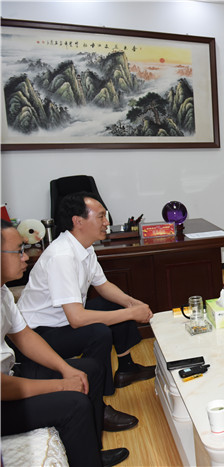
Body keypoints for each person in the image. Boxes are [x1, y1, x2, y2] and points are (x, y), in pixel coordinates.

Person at [1, 220, 131, 467]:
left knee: (89, 369)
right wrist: (61, 385)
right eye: (17, 251)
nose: (25, 257)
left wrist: (65, 368)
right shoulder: (61, 254)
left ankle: (91, 452)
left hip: (11, 373)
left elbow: (24, 336)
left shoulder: (3, 292)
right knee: (74, 403)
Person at [16, 192, 155, 397]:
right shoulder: (62, 256)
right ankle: (98, 399)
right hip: (38, 334)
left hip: (62, 319)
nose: (107, 222)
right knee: (98, 333)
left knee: (116, 305)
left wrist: (132, 303)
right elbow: (77, 319)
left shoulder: (85, 248)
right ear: (78, 221)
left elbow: (103, 285)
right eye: (101, 216)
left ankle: (127, 369)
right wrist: (131, 314)